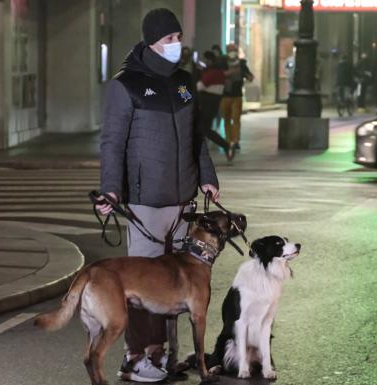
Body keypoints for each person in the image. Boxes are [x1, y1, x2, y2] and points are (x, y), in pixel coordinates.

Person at [97, 8, 220, 383]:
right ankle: (136, 359)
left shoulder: (184, 82)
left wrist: (207, 178)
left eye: (178, 37)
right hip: (144, 201)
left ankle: (164, 357)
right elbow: (112, 143)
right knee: (144, 285)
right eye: (170, 39)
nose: (177, 45)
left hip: (183, 200)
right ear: (152, 41)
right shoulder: (127, 84)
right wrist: (111, 189)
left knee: (177, 286)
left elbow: (197, 136)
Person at [197, 51, 233, 161]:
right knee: (203, 129)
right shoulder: (218, 73)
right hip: (211, 104)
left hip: (206, 104)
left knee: (203, 129)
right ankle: (226, 146)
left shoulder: (213, 73)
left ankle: (226, 145)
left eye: (207, 60)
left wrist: (183, 89)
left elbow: (199, 87)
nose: (205, 62)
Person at [220, 43, 254, 152]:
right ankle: (228, 139)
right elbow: (218, 74)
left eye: (234, 50)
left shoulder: (242, 63)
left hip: (237, 95)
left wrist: (247, 75)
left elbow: (250, 76)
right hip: (225, 95)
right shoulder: (222, 62)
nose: (232, 52)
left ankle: (235, 141)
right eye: (230, 50)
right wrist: (228, 73)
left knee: (236, 119)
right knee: (226, 119)